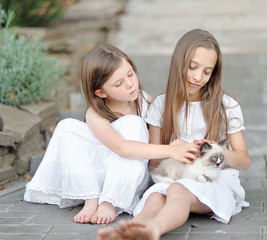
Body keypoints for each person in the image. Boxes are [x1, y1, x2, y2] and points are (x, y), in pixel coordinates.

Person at [97, 29, 251, 240]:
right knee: (156, 198)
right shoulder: (161, 105)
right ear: (179, 62)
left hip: (214, 179)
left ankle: (154, 229)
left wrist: (217, 151)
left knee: (178, 191)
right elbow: (153, 164)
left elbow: (243, 160)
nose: (198, 77)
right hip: (173, 174)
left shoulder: (226, 106)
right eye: (192, 67)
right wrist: (174, 151)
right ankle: (132, 231)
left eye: (207, 71)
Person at [24, 43, 198, 225]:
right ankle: (90, 197)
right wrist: (169, 151)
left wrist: (173, 147)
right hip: (99, 173)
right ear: (100, 92)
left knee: (133, 122)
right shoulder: (95, 113)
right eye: (118, 83)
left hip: (129, 174)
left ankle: (110, 202)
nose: (130, 84)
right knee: (66, 126)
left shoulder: (144, 101)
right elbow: (120, 147)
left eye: (130, 74)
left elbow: (156, 140)